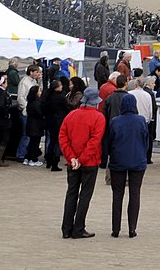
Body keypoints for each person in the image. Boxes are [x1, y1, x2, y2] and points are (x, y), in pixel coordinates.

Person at [59, 87, 105, 239]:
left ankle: (66, 228)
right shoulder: (98, 118)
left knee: (71, 193)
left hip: (72, 161)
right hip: (89, 162)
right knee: (85, 194)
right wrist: (81, 159)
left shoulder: (71, 115)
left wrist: (71, 157)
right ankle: (78, 228)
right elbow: (94, 141)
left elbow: (63, 137)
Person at [107, 94, 148, 238]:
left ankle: (115, 228)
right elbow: (145, 140)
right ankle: (132, 228)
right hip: (137, 160)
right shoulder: (141, 121)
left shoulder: (115, 121)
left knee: (117, 195)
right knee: (135, 193)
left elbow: (109, 141)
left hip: (118, 160)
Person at [16, 64, 42, 162]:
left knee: (29, 134)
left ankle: (27, 153)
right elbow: (21, 97)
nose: (38, 74)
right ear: (31, 72)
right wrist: (27, 108)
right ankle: (21, 154)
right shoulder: (24, 82)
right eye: (36, 72)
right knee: (26, 134)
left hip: (31, 111)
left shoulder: (34, 81)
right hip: (26, 111)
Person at [44, 79, 70, 172]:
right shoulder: (61, 98)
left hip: (50, 120)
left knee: (51, 141)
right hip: (58, 121)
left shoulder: (47, 96)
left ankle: (48, 160)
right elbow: (67, 108)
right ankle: (55, 162)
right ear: (57, 88)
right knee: (57, 142)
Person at [25, 86, 46, 167]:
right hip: (36, 125)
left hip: (31, 124)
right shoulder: (37, 103)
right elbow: (40, 113)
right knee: (35, 143)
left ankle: (28, 157)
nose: (40, 93)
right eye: (39, 91)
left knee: (31, 142)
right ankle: (33, 159)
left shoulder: (30, 102)